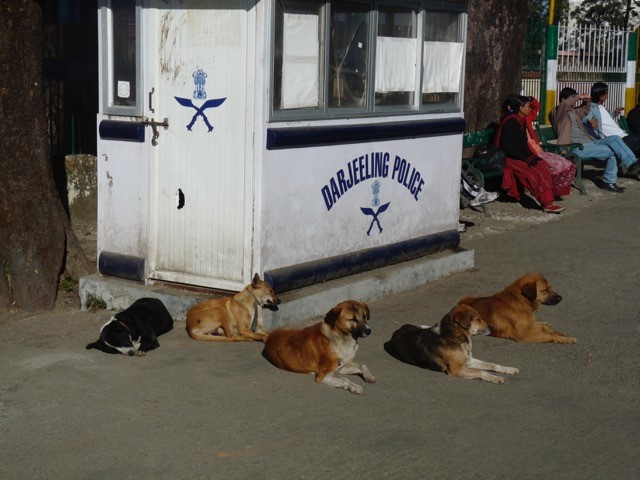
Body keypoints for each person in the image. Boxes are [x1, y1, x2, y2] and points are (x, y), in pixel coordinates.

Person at [551, 87, 638, 193]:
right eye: (572, 98)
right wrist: (578, 97)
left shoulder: (573, 112)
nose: (575, 102)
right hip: (574, 147)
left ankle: (632, 163)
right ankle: (609, 181)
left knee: (614, 139)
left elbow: (585, 110)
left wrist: (587, 100)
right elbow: (564, 105)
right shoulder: (557, 113)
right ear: (563, 99)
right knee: (612, 151)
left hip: (590, 142)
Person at [495, 95, 564, 213]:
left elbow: (523, 144)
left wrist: (531, 156)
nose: (529, 109)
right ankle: (547, 203)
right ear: (521, 108)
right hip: (508, 158)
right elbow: (508, 147)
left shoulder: (520, 120)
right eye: (527, 106)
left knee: (542, 164)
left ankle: (550, 198)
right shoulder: (510, 121)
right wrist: (525, 158)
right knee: (534, 170)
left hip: (518, 156)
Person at [522, 96, 577, 198]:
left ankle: (556, 191)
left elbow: (536, 106)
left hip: (539, 150)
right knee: (558, 166)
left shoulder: (526, 118)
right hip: (532, 153)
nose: (529, 109)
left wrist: (530, 100)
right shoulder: (514, 122)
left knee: (568, 164)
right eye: (526, 107)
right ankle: (549, 190)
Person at [584, 81, 640, 161]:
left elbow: (603, 120)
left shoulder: (601, 107)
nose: (607, 96)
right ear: (600, 96)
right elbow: (583, 116)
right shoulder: (591, 107)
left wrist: (614, 113)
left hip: (624, 136)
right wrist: (590, 119)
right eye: (606, 94)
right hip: (618, 140)